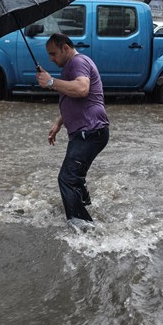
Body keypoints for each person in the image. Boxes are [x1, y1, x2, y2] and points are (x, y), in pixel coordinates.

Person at [36, 33, 109, 234]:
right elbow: (73, 97)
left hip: (90, 131)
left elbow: (82, 89)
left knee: (67, 178)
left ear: (66, 48)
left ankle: (84, 230)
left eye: (53, 54)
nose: (51, 59)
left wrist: (51, 82)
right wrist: (59, 122)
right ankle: (87, 208)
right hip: (88, 131)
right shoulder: (72, 65)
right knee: (74, 177)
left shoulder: (78, 62)